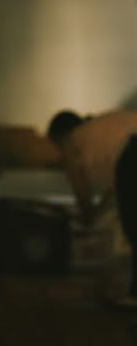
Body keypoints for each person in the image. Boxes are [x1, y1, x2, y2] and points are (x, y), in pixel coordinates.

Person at [47, 109, 137, 306]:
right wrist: (95, 214)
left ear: (60, 137)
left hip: (134, 150)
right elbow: (117, 190)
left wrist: (86, 216)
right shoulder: (101, 132)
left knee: (134, 228)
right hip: (132, 151)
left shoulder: (73, 140)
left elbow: (79, 187)